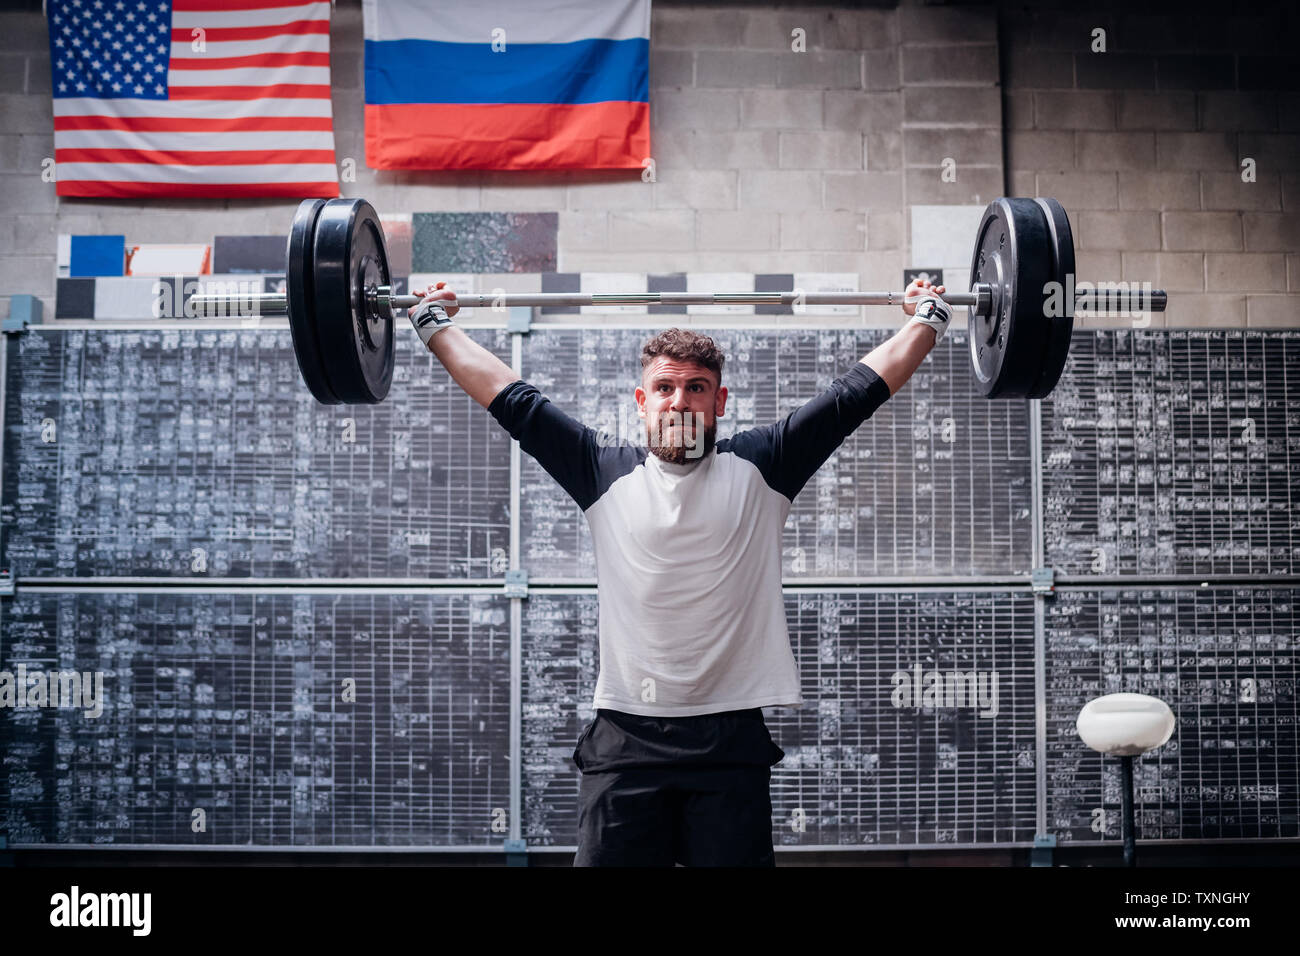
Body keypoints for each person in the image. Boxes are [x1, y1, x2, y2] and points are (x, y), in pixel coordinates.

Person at [407, 278, 953, 866]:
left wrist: (928, 317)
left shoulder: (763, 465)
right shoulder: (601, 471)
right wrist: (434, 324)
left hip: (728, 741)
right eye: (664, 388)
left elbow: (855, 395)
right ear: (642, 402)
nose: (679, 401)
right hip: (625, 742)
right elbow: (512, 399)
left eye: (696, 388)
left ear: (718, 402)